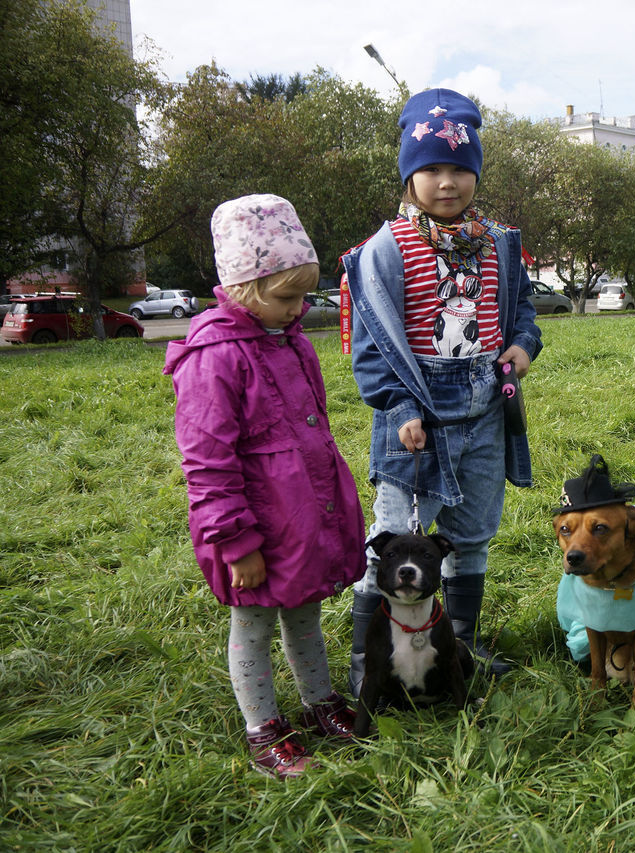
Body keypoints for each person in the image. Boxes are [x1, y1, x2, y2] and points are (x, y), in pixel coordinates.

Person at [342, 88, 543, 693]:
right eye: (430, 168)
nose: (447, 181)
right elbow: (372, 344)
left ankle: (455, 649)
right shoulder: (386, 250)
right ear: (408, 174)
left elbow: (524, 312)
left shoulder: (500, 243)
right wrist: (401, 405)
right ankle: (369, 665)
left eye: (460, 168)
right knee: (397, 535)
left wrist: (523, 346)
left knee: (470, 534)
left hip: (483, 411)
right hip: (417, 421)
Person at [164, 194, 367, 778]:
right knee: (252, 623)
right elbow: (207, 462)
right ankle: (262, 728)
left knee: (304, 611)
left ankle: (318, 700)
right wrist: (236, 543)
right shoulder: (215, 356)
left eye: (304, 294)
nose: (298, 308)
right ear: (245, 287)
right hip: (253, 528)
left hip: (299, 515)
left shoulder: (290, 339)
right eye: (286, 297)